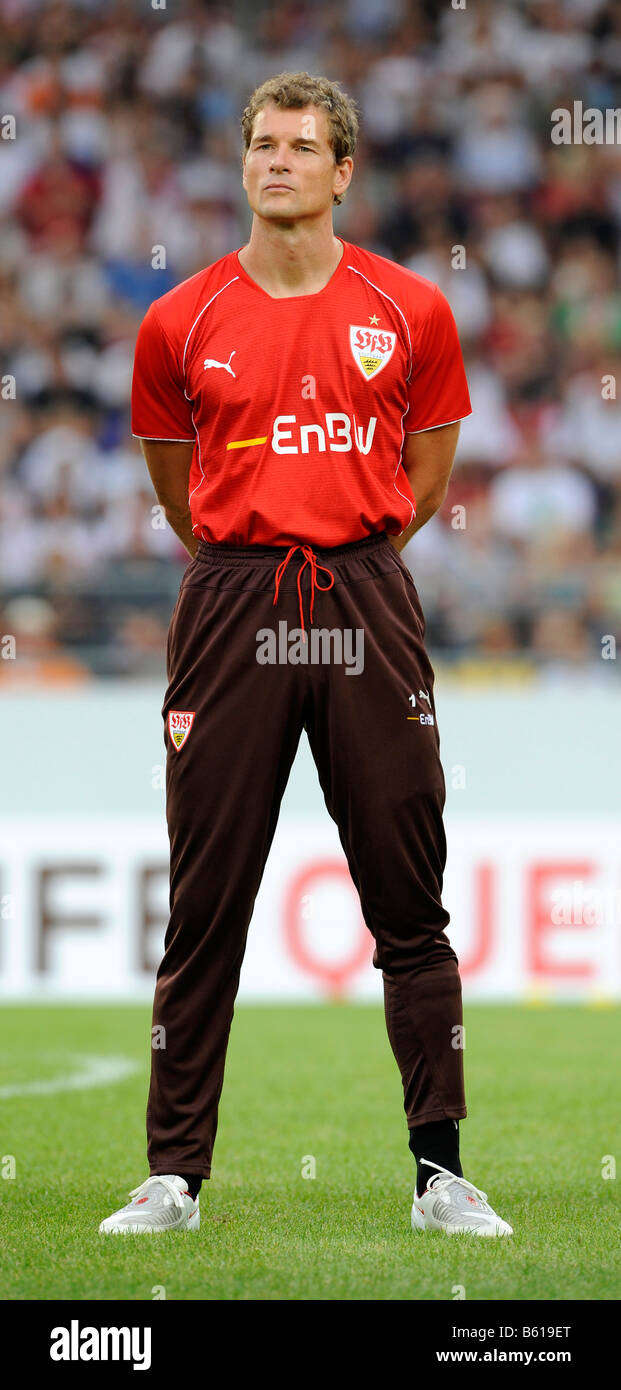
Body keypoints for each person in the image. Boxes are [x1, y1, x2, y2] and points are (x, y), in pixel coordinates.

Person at [99, 71, 512, 1238]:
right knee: (203, 901)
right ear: (244, 166)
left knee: (407, 897)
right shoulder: (177, 319)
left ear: (343, 170)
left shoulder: (413, 310)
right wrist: (262, 545)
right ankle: (173, 1178)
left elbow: (421, 484)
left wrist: (341, 547)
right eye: (261, 145)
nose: (276, 162)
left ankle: (441, 1174)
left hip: (365, 600)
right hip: (231, 602)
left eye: (301, 146)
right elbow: (184, 499)